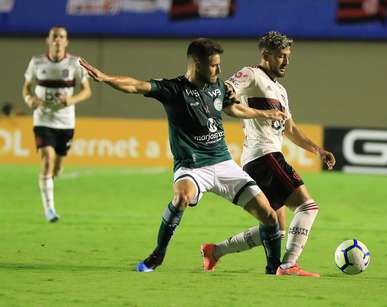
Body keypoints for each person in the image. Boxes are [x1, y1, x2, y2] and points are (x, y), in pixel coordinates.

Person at [79, 38, 287, 274]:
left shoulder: (217, 86)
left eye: (219, 64)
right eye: (213, 65)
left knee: (269, 216)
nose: (218, 70)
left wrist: (264, 113)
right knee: (181, 197)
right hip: (192, 166)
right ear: (197, 63)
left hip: (224, 163)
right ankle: (158, 254)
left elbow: (234, 108)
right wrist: (106, 78)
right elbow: (136, 85)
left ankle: (273, 269)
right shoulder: (173, 89)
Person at [200, 31, 336, 277]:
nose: (286, 61)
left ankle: (214, 251)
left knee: (276, 226)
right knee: (308, 207)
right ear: (265, 55)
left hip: (262, 159)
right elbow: (226, 89)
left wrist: (318, 150)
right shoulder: (252, 75)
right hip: (264, 156)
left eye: (288, 56)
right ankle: (288, 265)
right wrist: (233, 96)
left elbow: (291, 129)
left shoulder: (280, 90)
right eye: (281, 56)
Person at [22, 26, 92, 223]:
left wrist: (71, 100)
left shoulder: (74, 64)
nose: (58, 40)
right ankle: (49, 209)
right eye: (54, 36)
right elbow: (26, 89)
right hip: (42, 119)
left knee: (57, 166)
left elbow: (87, 91)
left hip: (66, 122)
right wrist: (28, 99)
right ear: (48, 40)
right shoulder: (36, 62)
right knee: (47, 160)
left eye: (61, 37)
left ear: (66, 41)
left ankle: (50, 180)